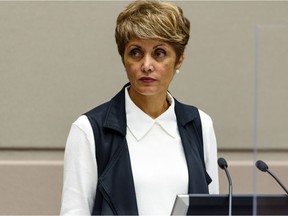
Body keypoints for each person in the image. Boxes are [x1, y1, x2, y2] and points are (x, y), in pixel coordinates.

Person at [60, 0, 219, 215]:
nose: (146, 65)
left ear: (179, 60)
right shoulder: (89, 130)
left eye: (159, 53)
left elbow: (213, 210)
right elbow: (74, 211)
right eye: (135, 52)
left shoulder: (199, 124)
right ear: (124, 59)